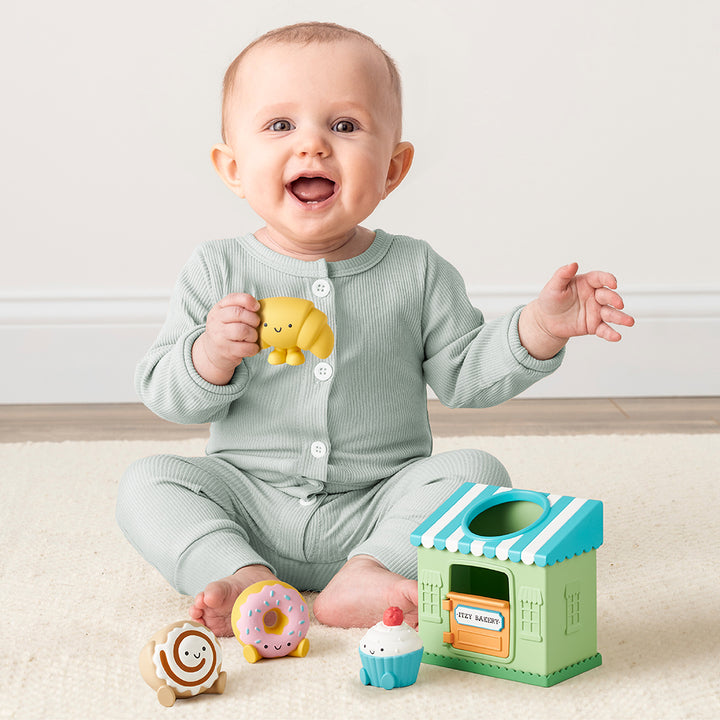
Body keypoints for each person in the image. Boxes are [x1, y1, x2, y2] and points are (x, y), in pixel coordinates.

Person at [116, 22, 634, 638]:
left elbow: (464, 377)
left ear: (393, 168)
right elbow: (163, 394)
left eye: (344, 126)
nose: (312, 147)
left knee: (478, 471)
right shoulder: (217, 269)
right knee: (147, 483)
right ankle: (240, 575)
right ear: (232, 167)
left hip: (381, 506)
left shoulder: (416, 269)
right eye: (280, 126)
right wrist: (209, 356)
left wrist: (538, 330)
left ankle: (368, 573)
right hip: (248, 501)